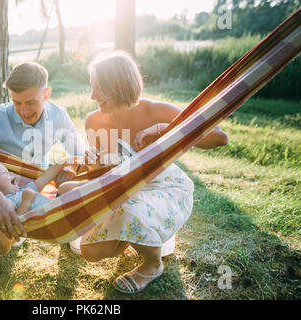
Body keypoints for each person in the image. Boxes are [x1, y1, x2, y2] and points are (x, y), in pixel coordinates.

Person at [77, 51, 229, 294]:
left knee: (130, 209)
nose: (92, 96)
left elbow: (220, 138)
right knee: (90, 251)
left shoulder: (156, 111)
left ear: (118, 86)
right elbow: (101, 171)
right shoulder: (94, 121)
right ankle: (144, 235)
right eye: (91, 87)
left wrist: (165, 130)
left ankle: (152, 264)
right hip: (125, 190)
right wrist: (90, 164)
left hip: (164, 186)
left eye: (99, 88)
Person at [0, 61, 87, 252]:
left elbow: (81, 155)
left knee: (76, 185)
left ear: (46, 94)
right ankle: (20, 223)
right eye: (17, 102)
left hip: (39, 180)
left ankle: (74, 230)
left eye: (31, 102)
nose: (23, 111)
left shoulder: (58, 117)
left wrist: (71, 168)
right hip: (5, 190)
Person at [0, 157, 80, 255]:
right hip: (55, 224)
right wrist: (26, 202)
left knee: (64, 187)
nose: (11, 173)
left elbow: (44, 178)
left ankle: (94, 190)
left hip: (64, 211)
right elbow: (16, 225)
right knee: (66, 188)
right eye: (5, 173)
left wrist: (63, 162)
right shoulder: (7, 203)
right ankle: (94, 188)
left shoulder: (23, 190)